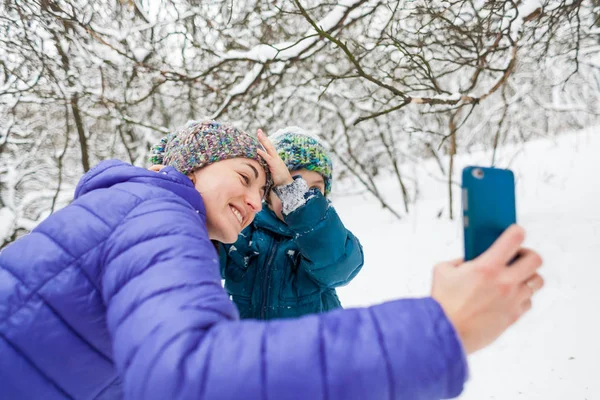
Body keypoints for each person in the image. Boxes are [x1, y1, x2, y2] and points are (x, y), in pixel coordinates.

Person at [0, 119, 544, 400]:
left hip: (294, 365)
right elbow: (186, 367)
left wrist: (298, 199)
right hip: (260, 366)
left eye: (297, 188)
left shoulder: (313, 233)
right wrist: (440, 327)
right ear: (194, 168)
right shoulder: (203, 229)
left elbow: (342, 264)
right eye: (253, 181)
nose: (273, 199)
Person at [220, 127, 363, 319]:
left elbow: (338, 268)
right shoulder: (245, 230)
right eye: (286, 185)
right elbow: (203, 259)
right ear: (267, 192)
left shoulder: (323, 235)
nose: (299, 193)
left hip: (313, 343)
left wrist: (296, 198)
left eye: (314, 189)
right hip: (248, 343)